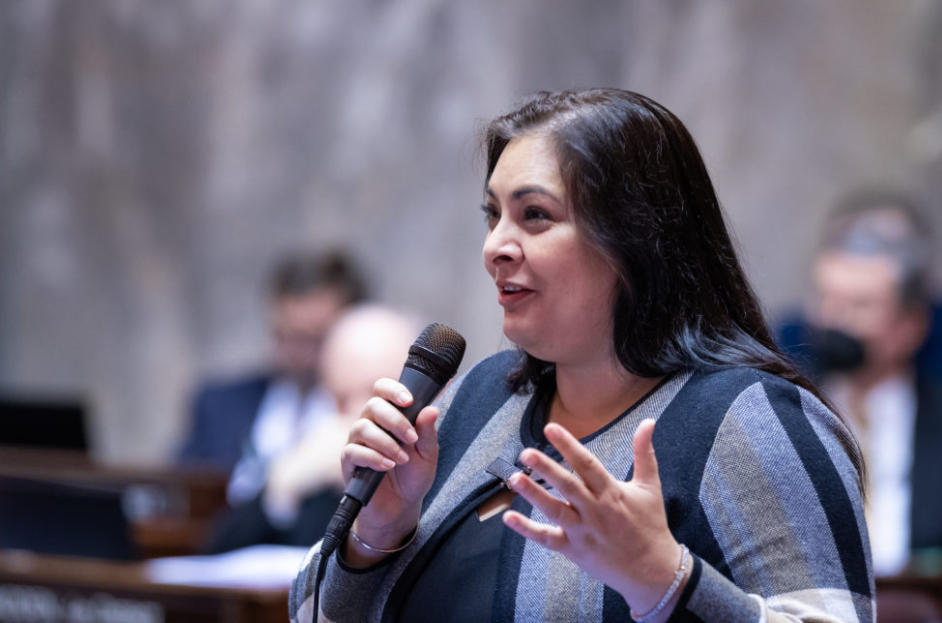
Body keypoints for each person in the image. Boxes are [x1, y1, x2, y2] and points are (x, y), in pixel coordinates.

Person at [290, 89, 874, 622]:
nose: (495, 246)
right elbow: (312, 614)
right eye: (493, 215)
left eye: (535, 215)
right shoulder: (479, 400)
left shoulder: (751, 419)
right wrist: (379, 529)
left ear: (635, 238)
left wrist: (665, 582)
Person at [777, 192, 942, 577]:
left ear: (911, 326)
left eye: (860, 305)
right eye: (826, 298)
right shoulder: (782, 410)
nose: (834, 320)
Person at [202, 304, 420, 552]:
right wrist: (281, 486)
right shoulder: (319, 473)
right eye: (341, 399)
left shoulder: (441, 478)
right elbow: (216, 555)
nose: (361, 414)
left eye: (377, 395)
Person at [177, 250, 366, 506]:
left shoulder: (364, 412)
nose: (296, 354)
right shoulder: (221, 404)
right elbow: (178, 493)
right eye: (284, 336)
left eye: (313, 339)